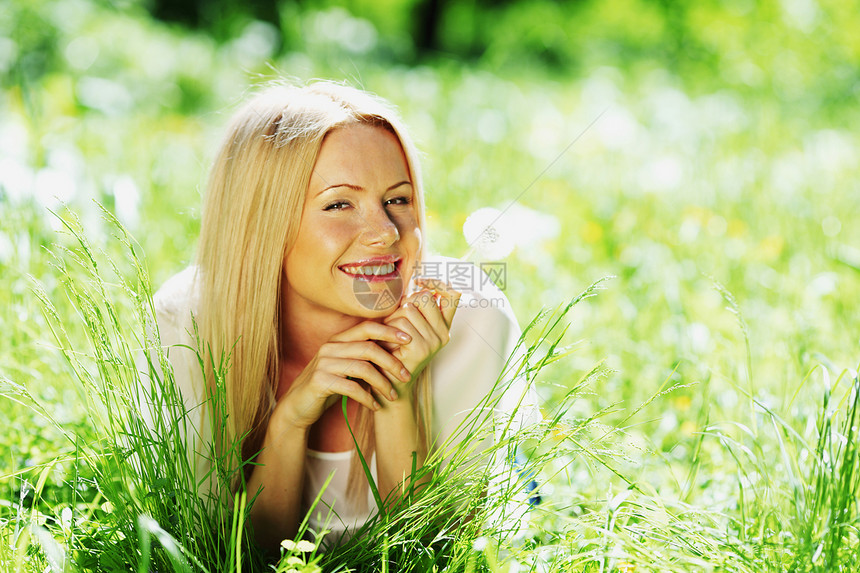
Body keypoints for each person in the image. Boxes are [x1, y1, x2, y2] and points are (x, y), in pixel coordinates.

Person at [147, 81, 538, 552]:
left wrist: (394, 392)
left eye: (398, 199)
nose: (385, 233)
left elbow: (436, 553)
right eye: (339, 204)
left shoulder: (473, 318)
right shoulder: (188, 321)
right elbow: (225, 556)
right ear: (262, 226)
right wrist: (289, 422)